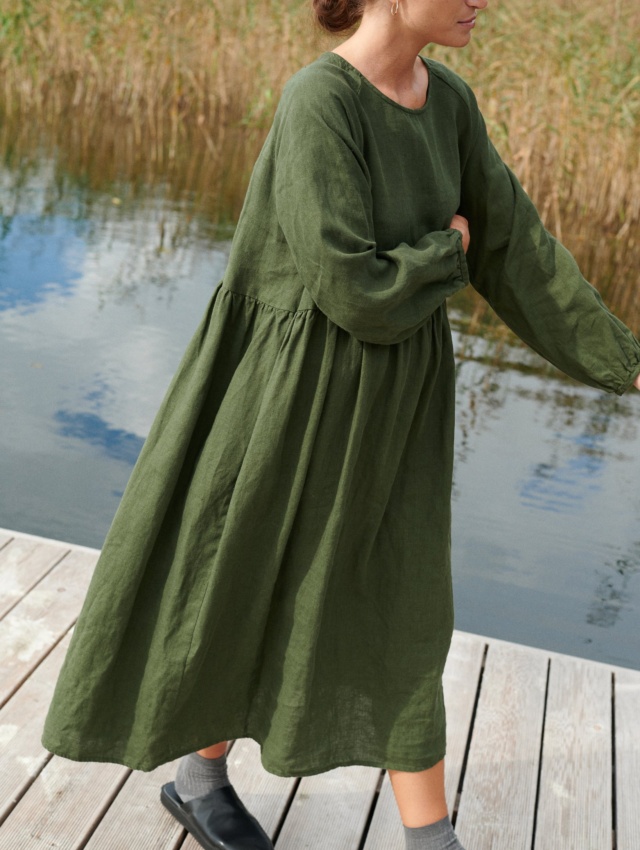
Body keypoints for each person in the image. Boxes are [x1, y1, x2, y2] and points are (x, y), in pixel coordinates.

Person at [41, 0, 640, 847]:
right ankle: (201, 778)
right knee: (250, 577)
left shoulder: (450, 104)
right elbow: (351, 287)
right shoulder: (318, 101)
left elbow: (516, 244)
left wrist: (624, 361)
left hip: (398, 399)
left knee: (403, 594)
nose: (485, 1)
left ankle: (427, 836)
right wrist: (448, 250)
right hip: (290, 397)